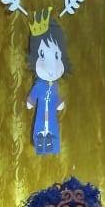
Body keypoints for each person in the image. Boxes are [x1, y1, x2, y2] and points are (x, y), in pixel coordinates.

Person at [26, 12, 71, 155]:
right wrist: (31, 101)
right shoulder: (39, 86)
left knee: (51, 129)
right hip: (41, 114)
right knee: (40, 129)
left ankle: (51, 146)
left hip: (51, 116)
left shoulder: (54, 85)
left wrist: (59, 102)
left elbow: (55, 97)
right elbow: (33, 96)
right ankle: (41, 145)